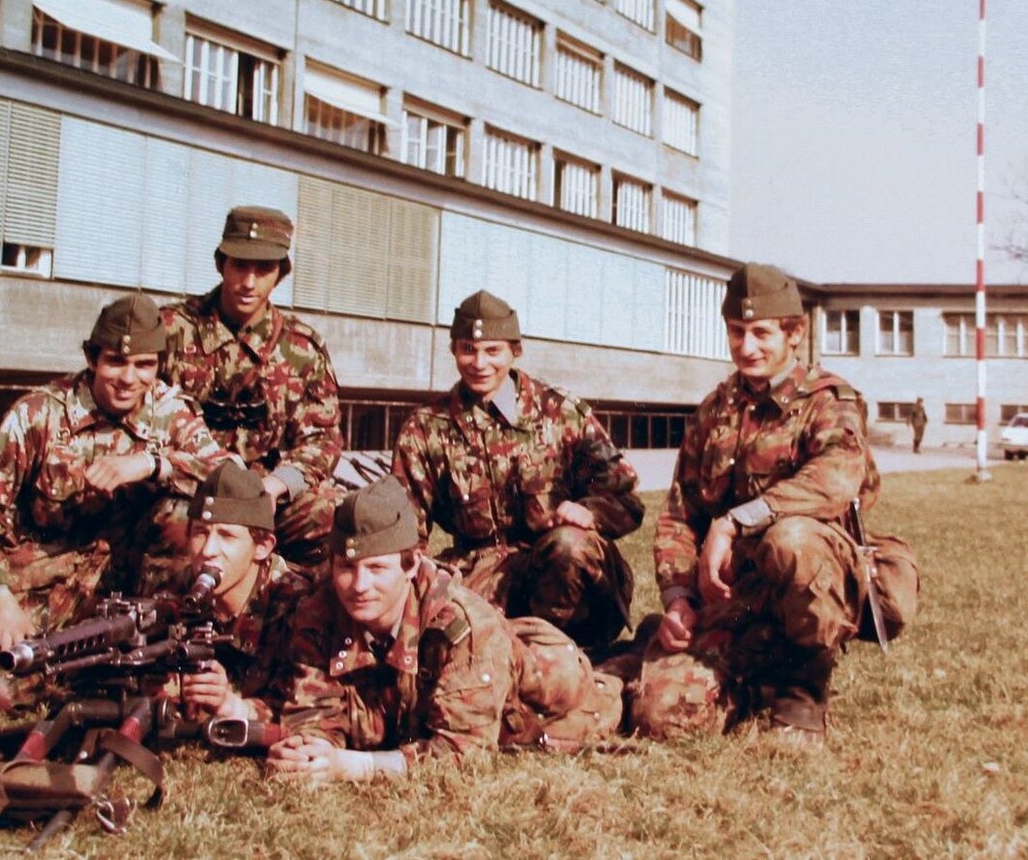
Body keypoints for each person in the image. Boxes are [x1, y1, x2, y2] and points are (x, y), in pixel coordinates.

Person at [631, 263, 884, 740]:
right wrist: (679, 597)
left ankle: (803, 691)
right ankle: (749, 682)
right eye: (736, 332)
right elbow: (679, 514)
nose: (746, 347)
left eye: (761, 333)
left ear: (795, 333)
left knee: (793, 536)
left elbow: (836, 479)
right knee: (661, 715)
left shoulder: (830, 400)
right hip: (736, 597)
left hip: (806, 579)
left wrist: (734, 523)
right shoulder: (715, 410)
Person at [0, 294, 229, 710]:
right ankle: (93, 674)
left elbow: (227, 477)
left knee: (185, 514)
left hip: (140, 585)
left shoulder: (171, 413)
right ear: (92, 358)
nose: (128, 378)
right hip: (53, 582)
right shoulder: (38, 415)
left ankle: (163, 652)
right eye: (115, 361)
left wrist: (153, 465)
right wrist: (0, 604)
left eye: (144, 365)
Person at [266, 477, 621, 783]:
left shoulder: (464, 627)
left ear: (411, 565)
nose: (359, 585)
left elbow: (463, 752)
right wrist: (307, 752)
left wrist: (355, 766)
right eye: (346, 567)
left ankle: (623, 663)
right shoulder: (320, 609)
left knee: (637, 693)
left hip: (555, 692)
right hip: (491, 661)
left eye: (376, 568)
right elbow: (312, 712)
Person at [391, 290, 644, 649]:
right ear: (454, 350)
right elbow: (405, 527)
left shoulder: (562, 413)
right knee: (439, 617)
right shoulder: (426, 428)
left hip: (564, 570)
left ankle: (561, 654)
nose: (479, 363)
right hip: (481, 571)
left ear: (515, 350)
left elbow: (627, 498)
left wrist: (590, 511)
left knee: (569, 546)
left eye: (493, 351)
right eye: (468, 349)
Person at [158, 206, 343, 573]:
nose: (249, 282)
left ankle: (299, 614)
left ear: (280, 274)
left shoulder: (300, 347)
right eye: (240, 265)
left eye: (263, 270)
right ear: (221, 263)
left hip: (267, 494)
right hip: (188, 492)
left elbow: (322, 440)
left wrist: (276, 486)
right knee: (168, 532)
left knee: (335, 519)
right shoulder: (171, 330)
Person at [177, 461, 315, 725]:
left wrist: (231, 705)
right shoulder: (178, 589)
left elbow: (304, 708)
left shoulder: (298, 605)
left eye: (227, 536)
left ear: (262, 547)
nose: (208, 550)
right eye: (200, 533)